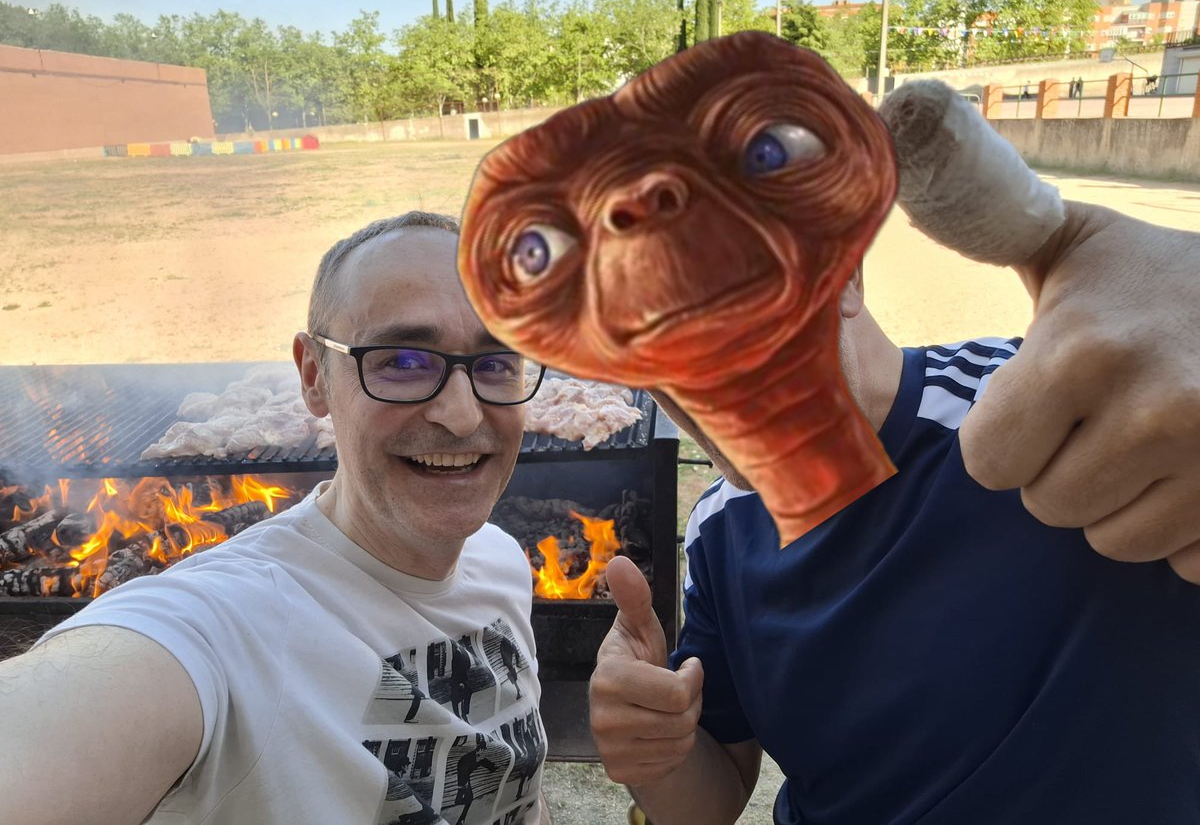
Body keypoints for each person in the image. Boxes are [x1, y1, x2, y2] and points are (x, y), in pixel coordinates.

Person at [590, 199, 1200, 823]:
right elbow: (715, 796)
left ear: (846, 274)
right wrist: (658, 753)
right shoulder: (720, 528)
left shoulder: (1050, 423)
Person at [0, 212, 552, 824]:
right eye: (402, 361)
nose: (463, 415)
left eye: (497, 362)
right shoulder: (229, 626)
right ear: (314, 376)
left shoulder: (501, 561)